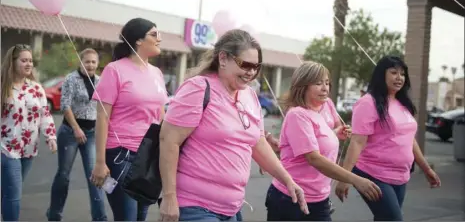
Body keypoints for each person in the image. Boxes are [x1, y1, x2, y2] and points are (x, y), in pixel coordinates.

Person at [159, 29, 308, 221]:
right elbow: (168, 140)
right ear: (223, 58)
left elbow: (258, 143)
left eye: (256, 67)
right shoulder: (198, 88)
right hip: (196, 207)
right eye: (246, 65)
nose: (251, 72)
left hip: (232, 209)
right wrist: (170, 197)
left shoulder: (250, 96)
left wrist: (288, 181)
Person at [265, 61, 382, 221]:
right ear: (303, 85)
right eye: (318, 83)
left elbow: (319, 140)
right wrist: (355, 179)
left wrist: (335, 134)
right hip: (289, 199)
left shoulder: (321, 110)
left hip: (319, 199)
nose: (325, 87)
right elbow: (314, 158)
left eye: (327, 83)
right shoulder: (298, 115)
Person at [335, 55, 441, 221]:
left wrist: (426, 169)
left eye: (402, 74)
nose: (399, 77)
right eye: (393, 72)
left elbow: (409, 140)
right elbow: (357, 142)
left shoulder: (402, 103)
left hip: (401, 175)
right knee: (393, 219)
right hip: (373, 174)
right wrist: (345, 177)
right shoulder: (368, 103)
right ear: (381, 74)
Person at [90, 18, 169, 221]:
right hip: (120, 155)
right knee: (127, 217)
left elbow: (160, 115)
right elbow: (101, 116)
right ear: (138, 41)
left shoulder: (157, 73)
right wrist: (99, 161)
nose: (159, 39)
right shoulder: (114, 70)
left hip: (148, 155)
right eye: (154, 34)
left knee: (141, 217)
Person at [46, 48, 107, 221]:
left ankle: (99, 217)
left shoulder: (101, 81)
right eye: (87, 61)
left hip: (92, 133)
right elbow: (65, 106)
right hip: (70, 132)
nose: (90, 65)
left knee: (95, 176)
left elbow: (103, 108)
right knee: (63, 175)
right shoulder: (70, 79)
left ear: (97, 64)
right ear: (81, 62)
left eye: (94, 62)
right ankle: (54, 214)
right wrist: (76, 128)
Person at [1, 44, 57, 221]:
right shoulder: (3, 87)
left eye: (30, 61)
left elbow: (45, 115)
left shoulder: (36, 88)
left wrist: (50, 137)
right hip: (7, 148)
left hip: (29, 149)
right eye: (24, 60)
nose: (28, 64)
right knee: (14, 194)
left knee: (8, 190)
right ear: (12, 61)